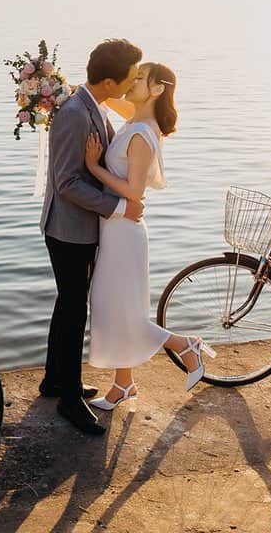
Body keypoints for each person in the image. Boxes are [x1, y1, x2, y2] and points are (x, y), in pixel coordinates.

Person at [83, 62, 213, 411]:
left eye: (139, 78)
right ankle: (123, 385)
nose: (132, 81)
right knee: (114, 307)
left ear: (157, 89)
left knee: (122, 311)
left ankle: (185, 345)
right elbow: (107, 100)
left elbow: (134, 192)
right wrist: (66, 90)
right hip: (115, 230)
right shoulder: (138, 119)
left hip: (124, 233)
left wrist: (95, 168)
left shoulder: (141, 134)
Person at [39, 38, 144, 435]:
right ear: (110, 80)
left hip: (81, 227)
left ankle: (54, 380)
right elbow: (65, 182)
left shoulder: (93, 104)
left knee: (69, 305)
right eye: (131, 76)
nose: (133, 81)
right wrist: (118, 207)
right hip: (68, 229)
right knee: (73, 309)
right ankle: (69, 399)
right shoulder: (74, 114)